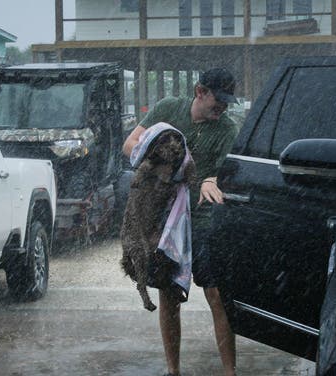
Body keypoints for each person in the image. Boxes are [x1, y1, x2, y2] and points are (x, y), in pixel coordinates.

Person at [122, 67, 241, 376]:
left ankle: (230, 371)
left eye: (228, 102)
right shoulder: (167, 110)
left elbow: (223, 173)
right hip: (165, 222)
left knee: (216, 294)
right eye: (218, 101)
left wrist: (211, 180)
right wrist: (160, 160)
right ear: (200, 92)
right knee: (169, 295)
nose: (223, 108)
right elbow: (130, 144)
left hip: (202, 222)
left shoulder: (227, 130)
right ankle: (173, 370)